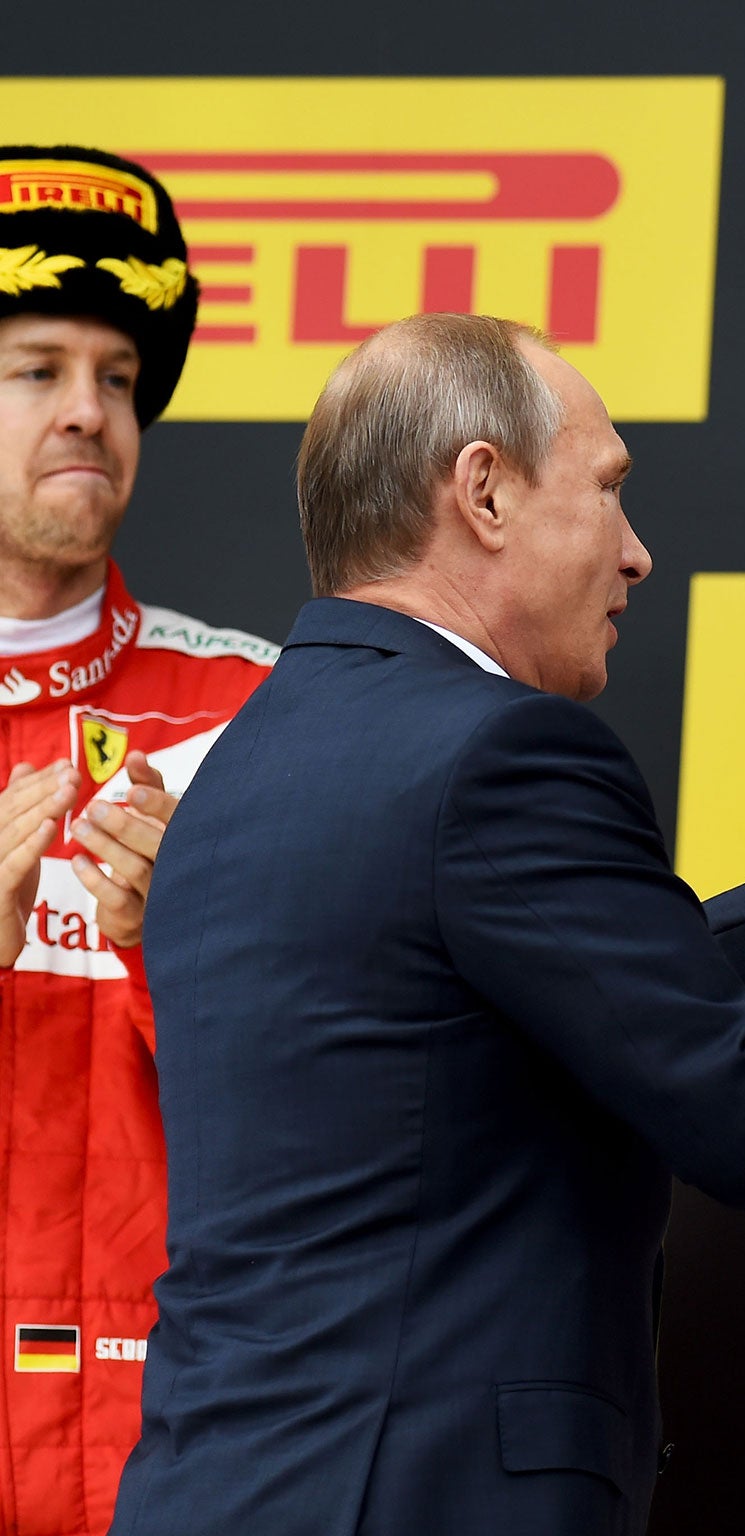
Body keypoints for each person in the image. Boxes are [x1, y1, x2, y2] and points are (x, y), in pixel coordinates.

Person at [108, 313, 745, 1536]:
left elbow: (504, 1039)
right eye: (609, 489)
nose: (635, 553)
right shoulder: (497, 752)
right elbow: (737, 1108)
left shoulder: (235, 773)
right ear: (484, 493)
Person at [0, 145, 279, 1536]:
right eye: (36, 369)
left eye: (118, 378)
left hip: (184, 1445)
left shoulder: (260, 707)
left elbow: (366, 1080)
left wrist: (198, 950)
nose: (87, 414)